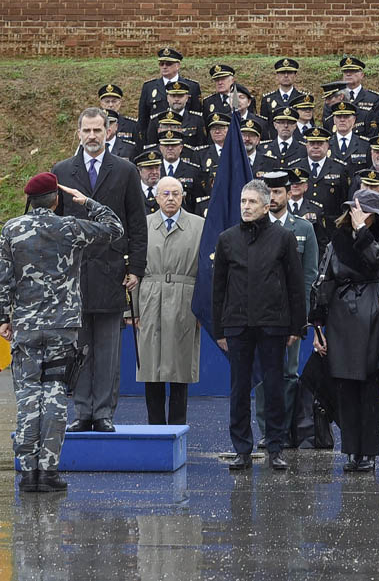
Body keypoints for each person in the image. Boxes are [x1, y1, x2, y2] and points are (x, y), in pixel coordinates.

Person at [0, 173, 124, 493]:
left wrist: (4, 317)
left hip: (25, 327)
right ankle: (48, 471)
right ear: (55, 200)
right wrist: (87, 201)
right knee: (53, 397)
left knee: (27, 398)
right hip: (62, 329)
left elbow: (1, 281)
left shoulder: (12, 229)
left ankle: (27, 472)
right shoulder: (70, 228)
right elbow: (115, 228)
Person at [52, 108, 148, 433]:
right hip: (74, 275)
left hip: (112, 271)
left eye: (98, 130)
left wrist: (136, 267)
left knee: (107, 349)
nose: (92, 136)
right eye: (86, 131)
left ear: (109, 132)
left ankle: (104, 412)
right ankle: (82, 411)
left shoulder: (124, 170)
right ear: (78, 133)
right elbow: (54, 224)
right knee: (78, 348)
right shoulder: (63, 171)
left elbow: (137, 221)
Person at [212, 179, 304, 472]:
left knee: (274, 387)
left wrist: (296, 327)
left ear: (267, 206)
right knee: (239, 388)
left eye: (252, 202)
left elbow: (295, 285)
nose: (246, 207)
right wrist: (218, 329)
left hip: (273, 324)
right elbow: (218, 289)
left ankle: (275, 447)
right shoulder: (227, 238)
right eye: (243, 202)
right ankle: (241, 448)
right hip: (238, 324)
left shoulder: (284, 238)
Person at [309, 189, 379, 473]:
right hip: (341, 316)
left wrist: (362, 230)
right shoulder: (336, 241)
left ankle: (369, 452)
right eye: (353, 210)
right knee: (345, 386)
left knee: (371, 388)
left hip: (373, 313)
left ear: (374, 216)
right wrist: (317, 326)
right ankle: (351, 450)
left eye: (362, 211)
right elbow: (323, 281)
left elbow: (377, 259)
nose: (355, 214)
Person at [252, 171, 319, 448]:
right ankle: (268, 431)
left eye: (279, 192)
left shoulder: (303, 228)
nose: (275, 197)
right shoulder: (253, 226)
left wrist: (302, 317)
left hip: (289, 315)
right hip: (259, 313)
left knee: (289, 373)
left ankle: (285, 430)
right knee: (262, 373)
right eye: (270, 192)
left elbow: (309, 276)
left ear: (289, 194)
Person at [132, 177, 203, 425]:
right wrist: (132, 308)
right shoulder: (144, 224)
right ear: (157, 197)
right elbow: (134, 268)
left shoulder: (199, 226)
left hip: (185, 298)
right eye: (165, 194)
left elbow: (206, 270)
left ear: (183, 196)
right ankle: (155, 428)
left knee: (179, 368)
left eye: (175, 193)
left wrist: (202, 310)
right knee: (151, 368)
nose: (171, 198)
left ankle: (177, 427)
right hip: (150, 297)